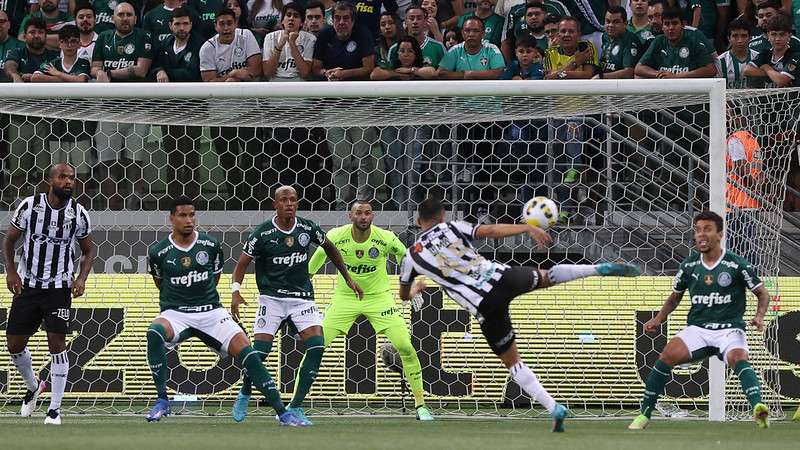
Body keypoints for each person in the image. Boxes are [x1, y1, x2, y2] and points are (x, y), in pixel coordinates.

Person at [399, 197, 640, 432]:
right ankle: (597, 269)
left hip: (484, 305)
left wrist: (415, 289)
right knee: (548, 276)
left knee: (513, 362)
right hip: (500, 277)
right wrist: (526, 227)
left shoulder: (410, 256)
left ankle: (554, 408)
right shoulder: (453, 226)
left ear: (419, 220)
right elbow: (491, 230)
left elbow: (403, 294)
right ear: (442, 215)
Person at [143, 195, 304, 427]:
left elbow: (215, 278)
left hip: (211, 312)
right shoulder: (158, 251)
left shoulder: (210, 245)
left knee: (248, 353)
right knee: (154, 332)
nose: (189, 220)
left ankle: (283, 412)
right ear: (171, 218)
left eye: (192, 215)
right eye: (183, 215)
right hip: (176, 313)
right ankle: (162, 400)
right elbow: (161, 282)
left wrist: (202, 302)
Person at [229, 186, 363, 425]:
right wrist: (235, 292)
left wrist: (347, 277)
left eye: (293, 200)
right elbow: (241, 264)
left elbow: (330, 247)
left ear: (297, 203)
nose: (289, 204)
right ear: (275, 204)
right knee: (259, 353)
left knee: (317, 347)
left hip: (302, 298)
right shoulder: (262, 233)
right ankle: (246, 391)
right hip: (272, 299)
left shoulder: (307, 227)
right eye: (284, 200)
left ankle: (297, 406)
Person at [628, 211, 770, 430]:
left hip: (729, 329)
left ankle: (758, 408)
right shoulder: (689, 265)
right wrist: (658, 319)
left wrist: (759, 316)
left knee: (738, 357)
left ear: (720, 234)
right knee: (666, 356)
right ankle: (644, 414)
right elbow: (675, 298)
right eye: (698, 230)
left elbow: (762, 293)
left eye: (707, 229)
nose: (701, 235)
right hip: (699, 329)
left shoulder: (736, 264)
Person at [307, 200, 434, 421]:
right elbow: (314, 263)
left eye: (367, 213)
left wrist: (413, 283)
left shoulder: (385, 238)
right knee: (316, 347)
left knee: (405, 346)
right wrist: (302, 286)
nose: (363, 217)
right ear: (350, 216)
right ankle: (295, 404)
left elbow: (406, 258)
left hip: (379, 299)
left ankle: (421, 406)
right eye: (359, 213)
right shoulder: (336, 236)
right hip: (345, 299)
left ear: (372, 216)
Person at [4, 163, 94, 425]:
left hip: (58, 288)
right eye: (63, 177)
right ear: (50, 180)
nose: (69, 182)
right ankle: (34, 386)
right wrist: (11, 272)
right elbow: (9, 239)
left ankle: (54, 410)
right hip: (28, 286)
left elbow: (88, 250)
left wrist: (81, 278)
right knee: (14, 345)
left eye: (72, 178)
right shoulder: (30, 206)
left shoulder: (78, 214)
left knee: (57, 345)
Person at [313, 2, 383, 210]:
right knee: (340, 161)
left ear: (352, 20)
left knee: (363, 159)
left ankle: (363, 204)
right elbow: (315, 68)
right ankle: (341, 205)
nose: (341, 22)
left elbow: (369, 68)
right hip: (332, 108)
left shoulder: (362, 33)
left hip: (360, 106)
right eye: (337, 18)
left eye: (346, 18)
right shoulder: (325, 35)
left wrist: (343, 74)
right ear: (331, 19)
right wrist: (326, 73)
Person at [91, 2, 153, 210]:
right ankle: (113, 207)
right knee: (107, 161)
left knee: (134, 161)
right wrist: (99, 72)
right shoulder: (103, 37)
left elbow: (141, 70)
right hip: (109, 109)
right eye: (121, 15)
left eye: (129, 14)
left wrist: (108, 74)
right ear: (113, 18)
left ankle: (134, 206)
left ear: (135, 18)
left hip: (138, 109)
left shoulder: (143, 36)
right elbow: (95, 67)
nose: (125, 18)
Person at [199, 8, 263, 209]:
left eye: (229, 23)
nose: (226, 27)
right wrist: (233, 76)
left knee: (253, 157)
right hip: (220, 114)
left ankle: (251, 200)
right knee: (229, 161)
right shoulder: (207, 48)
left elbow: (256, 69)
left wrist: (239, 74)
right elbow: (209, 81)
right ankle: (236, 201)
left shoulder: (247, 36)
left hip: (248, 110)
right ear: (215, 26)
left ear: (236, 23)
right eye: (221, 24)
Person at [31, 24, 94, 202]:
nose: (69, 45)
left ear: (79, 44)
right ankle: (57, 204)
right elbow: (36, 78)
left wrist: (57, 75)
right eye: (65, 42)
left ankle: (80, 205)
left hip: (78, 125)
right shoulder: (52, 61)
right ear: (59, 44)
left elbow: (81, 81)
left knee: (81, 171)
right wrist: (64, 78)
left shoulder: (83, 62)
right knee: (57, 170)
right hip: (55, 125)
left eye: (73, 41)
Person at [151, 7, 204, 206]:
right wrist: (159, 70)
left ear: (191, 24)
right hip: (169, 109)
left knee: (190, 155)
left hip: (193, 108)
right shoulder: (164, 44)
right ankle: (173, 199)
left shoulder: (200, 44)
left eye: (185, 23)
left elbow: (192, 74)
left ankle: (192, 200)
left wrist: (167, 72)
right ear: (170, 25)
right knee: (172, 155)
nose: (182, 28)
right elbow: (154, 65)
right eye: (177, 23)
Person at [4, 17, 59, 198]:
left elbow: (61, 78)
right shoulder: (17, 52)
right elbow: (10, 66)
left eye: (40, 32)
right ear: (25, 35)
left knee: (46, 172)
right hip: (19, 119)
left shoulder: (53, 57)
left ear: (45, 35)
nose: (36, 36)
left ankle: (42, 208)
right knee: (18, 171)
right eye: (32, 32)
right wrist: (16, 76)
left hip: (46, 121)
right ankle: (19, 208)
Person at [634, 6, 717, 79]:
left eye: (675, 23)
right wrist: (661, 74)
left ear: (683, 24)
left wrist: (677, 76)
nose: (670, 28)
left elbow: (711, 70)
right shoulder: (658, 41)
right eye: (666, 24)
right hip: (665, 91)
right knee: (638, 77)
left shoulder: (694, 41)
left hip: (689, 91)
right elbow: (639, 68)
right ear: (662, 26)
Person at [262, 2, 315, 82]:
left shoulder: (310, 38)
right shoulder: (270, 37)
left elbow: (305, 73)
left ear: (301, 23)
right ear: (282, 21)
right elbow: (268, 72)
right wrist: (280, 45)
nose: (291, 18)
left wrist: (292, 44)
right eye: (288, 15)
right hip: (275, 82)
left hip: (299, 82)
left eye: (296, 16)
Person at [438, 16, 505, 79]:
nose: (471, 34)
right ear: (462, 33)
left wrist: (471, 74)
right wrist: (463, 75)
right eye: (467, 31)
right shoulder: (455, 50)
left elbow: (499, 72)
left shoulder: (492, 49)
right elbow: (441, 73)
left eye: (476, 31)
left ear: (483, 33)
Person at [744, 13, 800, 87]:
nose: (777, 39)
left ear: (789, 36)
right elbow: (747, 70)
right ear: (768, 36)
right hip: (768, 98)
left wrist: (766, 68)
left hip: (790, 98)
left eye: (782, 34)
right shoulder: (765, 53)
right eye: (773, 34)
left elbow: (781, 81)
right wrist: (775, 74)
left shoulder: (795, 56)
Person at [598, 6, 642, 79]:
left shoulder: (630, 40)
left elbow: (629, 72)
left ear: (625, 23)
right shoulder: (605, 36)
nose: (610, 25)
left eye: (616, 22)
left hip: (621, 86)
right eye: (608, 21)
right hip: (604, 82)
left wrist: (601, 77)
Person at [719, 18, 757, 88]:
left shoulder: (758, 57)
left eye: (744, 36)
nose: (740, 40)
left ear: (750, 38)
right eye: (735, 36)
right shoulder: (721, 61)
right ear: (729, 38)